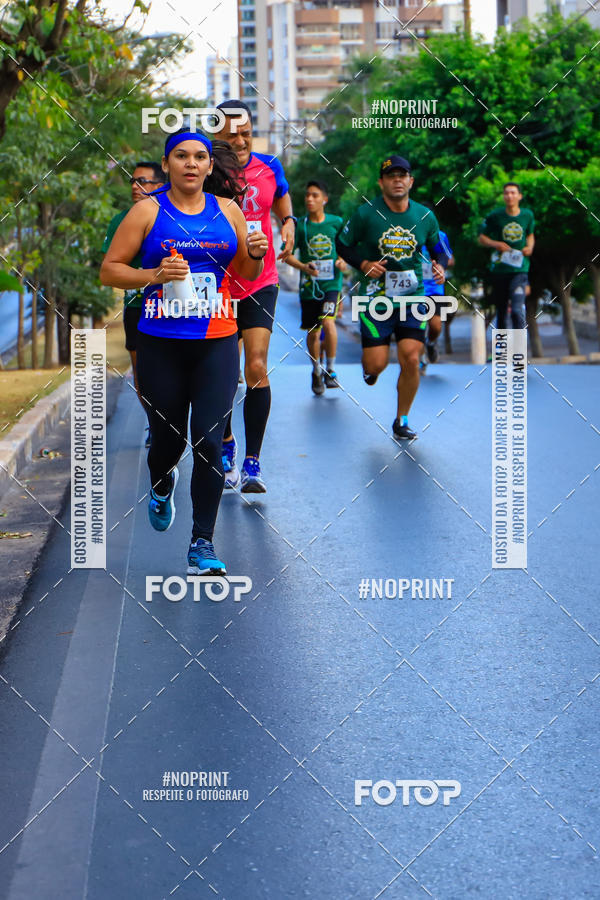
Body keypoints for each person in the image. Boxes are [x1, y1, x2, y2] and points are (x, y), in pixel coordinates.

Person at [100, 131, 268, 575]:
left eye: (199, 157)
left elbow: (246, 273)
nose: (191, 163)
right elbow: (109, 270)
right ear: (167, 164)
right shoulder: (147, 211)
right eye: (181, 156)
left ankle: (202, 543)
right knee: (168, 441)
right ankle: (161, 484)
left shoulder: (228, 211)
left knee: (209, 441)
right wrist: (153, 275)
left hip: (217, 340)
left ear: (210, 166)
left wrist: (254, 254)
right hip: (161, 343)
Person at [214, 99, 296, 492]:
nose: (241, 140)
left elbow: (281, 194)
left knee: (257, 366)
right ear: (218, 135)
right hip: (217, 284)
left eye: (246, 133)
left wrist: (288, 221)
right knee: (223, 373)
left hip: (261, 280)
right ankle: (226, 443)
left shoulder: (269, 166)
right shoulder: (206, 168)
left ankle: (253, 463)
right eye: (232, 135)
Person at [336, 155, 447, 441]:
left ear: (411, 181)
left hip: (412, 299)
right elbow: (343, 244)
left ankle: (402, 419)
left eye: (402, 175)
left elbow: (438, 249)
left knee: (411, 357)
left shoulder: (424, 216)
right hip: (376, 301)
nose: (397, 180)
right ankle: (371, 369)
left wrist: (440, 266)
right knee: (376, 364)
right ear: (381, 182)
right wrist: (363, 264)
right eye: (391, 176)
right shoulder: (366, 214)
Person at [102, 161, 166, 447]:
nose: (135, 186)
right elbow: (110, 268)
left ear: (160, 185)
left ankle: (172, 422)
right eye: (132, 181)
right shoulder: (121, 220)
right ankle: (155, 423)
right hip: (136, 306)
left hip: (170, 308)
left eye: (143, 181)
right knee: (142, 375)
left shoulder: (172, 215)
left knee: (171, 371)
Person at [283, 180, 346, 395]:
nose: (310, 199)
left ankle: (331, 370)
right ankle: (316, 370)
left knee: (328, 322)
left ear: (325, 200)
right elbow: (286, 255)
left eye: (315, 195)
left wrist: (342, 261)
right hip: (309, 287)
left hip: (332, 284)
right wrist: (303, 267)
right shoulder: (300, 226)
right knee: (313, 332)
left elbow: (346, 249)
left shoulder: (336, 223)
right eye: (307, 195)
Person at [478, 182, 535, 329]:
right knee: (501, 312)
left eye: (513, 193)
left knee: (516, 311)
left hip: (519, 269)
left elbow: (530, 235)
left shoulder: (527, 215)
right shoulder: (495, 216)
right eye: (507, 193)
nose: (510, 196)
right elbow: (481, 238)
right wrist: (496, 244)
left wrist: (529, 247)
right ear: (503, 196)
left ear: (519, 196)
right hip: (500, 269)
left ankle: (519, 343)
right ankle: (502, 344)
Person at [420, 227, 454, 368]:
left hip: (435, 289)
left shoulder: (440, 236)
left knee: (435, 326)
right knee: (416, 326)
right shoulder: (408, 234)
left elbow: (450, 259)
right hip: (414, 289)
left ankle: (431, 343)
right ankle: (420, 360)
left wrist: (439, 265)